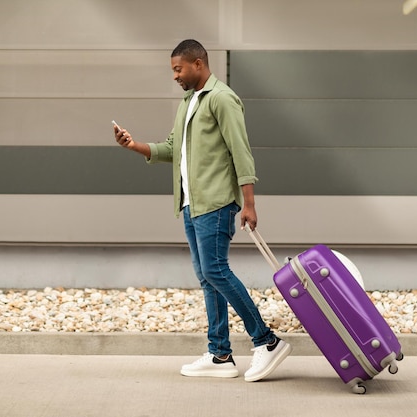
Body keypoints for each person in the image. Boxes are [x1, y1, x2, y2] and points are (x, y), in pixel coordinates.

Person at [113, 39, 291, 382]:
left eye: (178, 69)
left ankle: (266, 341)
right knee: (207, 277)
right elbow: (171, 149)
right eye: (173, 71)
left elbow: (242, 152)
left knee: (216, 270)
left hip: (217, 203)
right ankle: (220, 354)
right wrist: (134, 145)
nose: (175, 76)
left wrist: (249, 203)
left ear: (198, 63)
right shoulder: (188, 101)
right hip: (192, 204)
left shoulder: (222, 99)